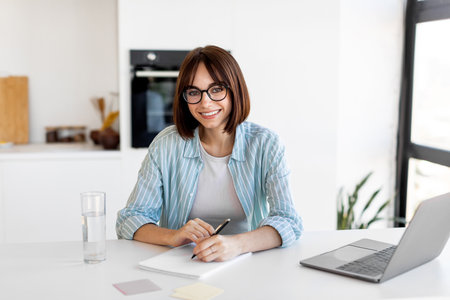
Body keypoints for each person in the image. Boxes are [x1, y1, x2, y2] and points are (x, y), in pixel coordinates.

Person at [116, 45, 303, 262]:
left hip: (247, 261)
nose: (205, 102)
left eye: (216, 89)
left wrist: (237, 244)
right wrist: (173, 236)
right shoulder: (166, 145)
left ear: (235, 90)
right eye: (194, 92)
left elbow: (288, 220)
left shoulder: (266, 144)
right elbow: (130, 219)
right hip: (183, 262)